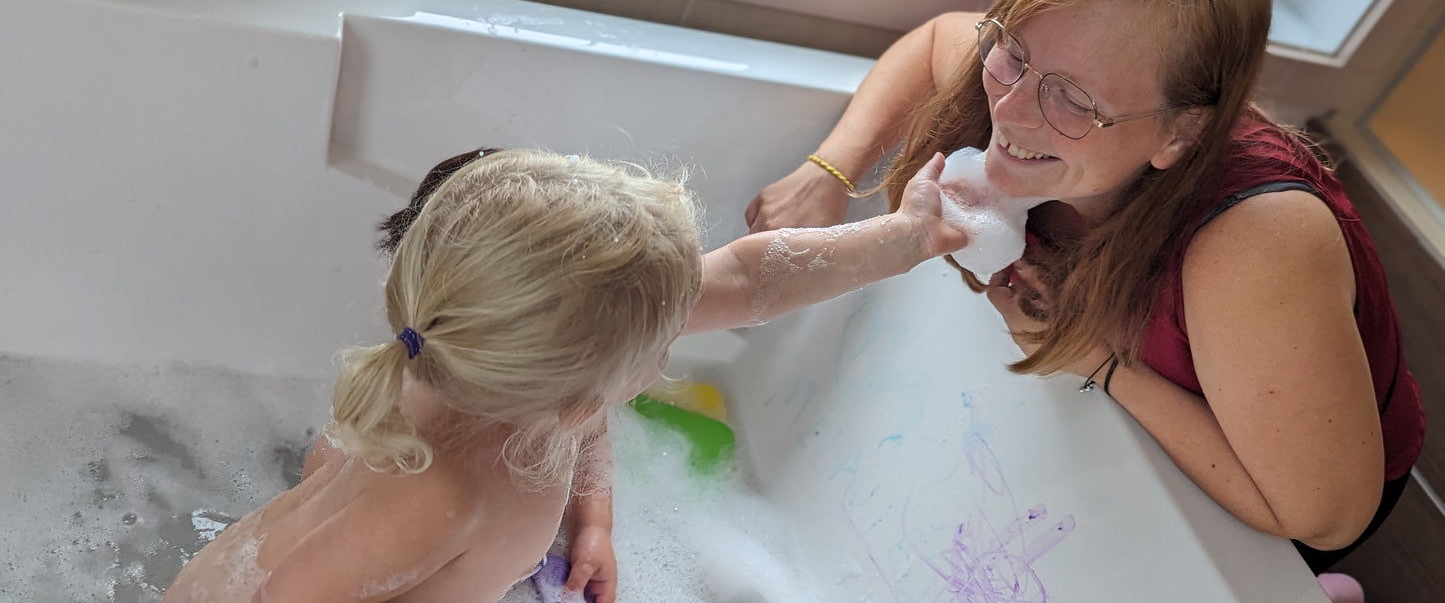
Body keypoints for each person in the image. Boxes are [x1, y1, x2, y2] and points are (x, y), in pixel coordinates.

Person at [745, 0, 1424, 598]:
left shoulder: (1252, 243)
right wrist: (826, 171)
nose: (1009, 111)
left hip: (1276, 468)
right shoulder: (1022, 80)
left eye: (1072, 99)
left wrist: (1091, 357)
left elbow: (1321, 516)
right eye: (1015, 51)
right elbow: (934, 43)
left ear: (1178, 136)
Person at [164, 146, 970, 602]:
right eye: (657, 351)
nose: (668, 348)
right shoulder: (429, 493)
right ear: (580, 390)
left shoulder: (515, 358)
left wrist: (905, 237)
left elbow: (750, 282)